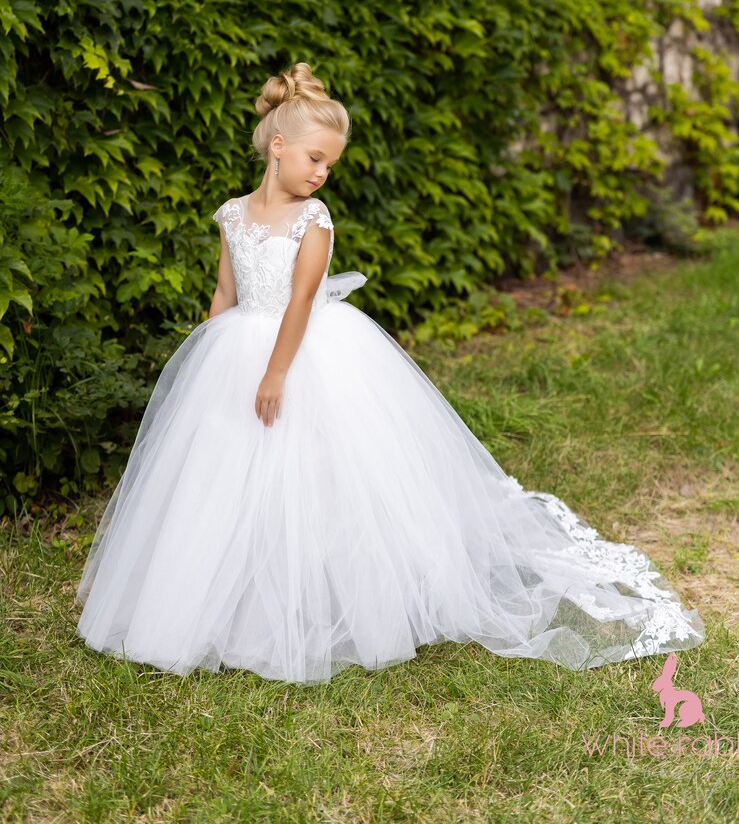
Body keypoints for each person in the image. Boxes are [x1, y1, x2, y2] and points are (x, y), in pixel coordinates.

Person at [74, 61, 704, 684]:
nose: (322, 174)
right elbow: (224, 292)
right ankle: (215, 598)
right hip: (236, 347)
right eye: (315, 158)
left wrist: (275, 373)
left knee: (314, 474)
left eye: (331, 165)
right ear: (277, 145)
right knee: (221, 474)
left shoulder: (313, 221)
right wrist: (208, 349)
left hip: (302, 353)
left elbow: (300, 301)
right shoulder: (232, 215)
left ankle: (329, 598)